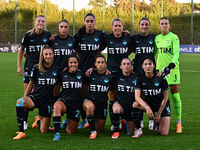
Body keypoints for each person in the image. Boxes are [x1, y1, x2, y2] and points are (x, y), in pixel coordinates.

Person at [13, 45, 59, 140]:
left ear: (53, 55)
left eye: (50, 54)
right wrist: (25, 97)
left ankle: (38, 121)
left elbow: (57, 87)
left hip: (47, 102)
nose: (48, 56)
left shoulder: (56, 69)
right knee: (20, 102)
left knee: (44, 131)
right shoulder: (36, 67)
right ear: (42, 55)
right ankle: (21, 132)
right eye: (46, 54)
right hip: (35, 98)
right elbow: (31, 83)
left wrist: (54, 100)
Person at [17, 15, 52, 129]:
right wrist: (19, 66)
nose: (41, 23)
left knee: (41, 94)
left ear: (45, 23)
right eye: (39, 21)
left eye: (43, 21)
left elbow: (51, 49)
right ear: (35, 22)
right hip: (29, 69)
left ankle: (39, 117)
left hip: (42, 70)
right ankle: (24, 121)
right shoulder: (28, 35)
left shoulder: (48, 35)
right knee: (26, 94)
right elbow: (21, 50)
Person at [75, 13, 105, 128]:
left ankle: (95, 117)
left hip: (95, 71)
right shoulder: (79, 35)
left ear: (94, 22)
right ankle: (83, 119)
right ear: (84, 22)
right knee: (82, 95)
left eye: (91, 21)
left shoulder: (99, 34)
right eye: (87, 21)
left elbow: (104, 45)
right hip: (82, 70)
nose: (89, 23)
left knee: (96, 94)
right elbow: (74, 47)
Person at [103, 18, 133, 132]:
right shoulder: (107, 38)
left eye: (119, 26)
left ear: (122, 27)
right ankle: (114, 122)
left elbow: (131, 48)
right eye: (115, 26)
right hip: (111, 72)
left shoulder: (127, 37)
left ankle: (124, 119)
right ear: (112, 27)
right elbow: (99, 48)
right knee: (112, 97)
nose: (117, 28)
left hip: (124, 72)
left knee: (125, 96)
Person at [154, 17, 182, 133]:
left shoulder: (174, 37)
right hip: (160, 72)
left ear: (169, 25)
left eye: (166, 23)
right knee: (158, 97)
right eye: (162, 24)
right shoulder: (157, 38)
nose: (164, 25)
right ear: (159, 26)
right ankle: (157, 121)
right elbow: (154, 53)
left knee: (175, 96)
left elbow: (176, 53)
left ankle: (179, 122)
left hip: (172, 70)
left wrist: (171, 65)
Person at [134, 57, 170, 136]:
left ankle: (157, 122)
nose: (148, 66)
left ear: (154, 66)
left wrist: (159, 113)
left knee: (164, 133)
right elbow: (137, 97)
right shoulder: (140, 78)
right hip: (150, 105)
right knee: (135, 104)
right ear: (142, 66)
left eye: (150, 64)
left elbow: (166, 97)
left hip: (162, 105)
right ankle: (138, 127)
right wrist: (147, 107)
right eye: (145, 64)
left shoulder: (161, 78)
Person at [132, 17, 156, 130]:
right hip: (138, 72)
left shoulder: (154, 38)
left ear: (149, 26)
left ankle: (152, 120)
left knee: (151, 95)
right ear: (139, 26)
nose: (144, 26)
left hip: (151, 71)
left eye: (146, 24)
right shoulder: (134, 38)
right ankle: (140, 120)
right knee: (140, 96)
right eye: (142, 24)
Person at [52, 54, 83, 141]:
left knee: (71, 131)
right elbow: (56, 90)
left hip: (76, 104)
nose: (73, 64)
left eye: (75, 62)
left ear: (78, 63)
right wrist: (56, 100)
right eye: (71, 63)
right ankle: (57, 133)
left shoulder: (82, 74)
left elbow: (84, 89)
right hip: (64, 102)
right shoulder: (62, 74)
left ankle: (66, 122)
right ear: (68, 64)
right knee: (57, 106)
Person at [83, 54, 113, 139]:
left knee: (100, 130)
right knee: (89, 107)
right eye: (98, 62)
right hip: (90, 101)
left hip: (102, 104)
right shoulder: (90, 74)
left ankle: (91, 120)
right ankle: (93, 130)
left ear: (105, 64)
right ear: (95, 64)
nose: (101, 64)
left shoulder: (110, 76)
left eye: (102, 62)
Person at [112, 58, 141, 139]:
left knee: (130, 132)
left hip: (132, 107)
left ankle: (125, 121)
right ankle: (116, 131)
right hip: (121, 106)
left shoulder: (136, 77)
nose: (126, 66)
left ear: (131, 66)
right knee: (116, 108)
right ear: (121, 66)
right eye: (124, 64)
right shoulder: (116, 76)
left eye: (128, 64)